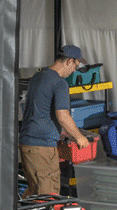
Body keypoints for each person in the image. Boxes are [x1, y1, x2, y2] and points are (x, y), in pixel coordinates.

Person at [19, 45, 91, 198]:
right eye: (76, 66)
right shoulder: (60, 83)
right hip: (41, 147)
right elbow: (63, 116)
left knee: (34, 191)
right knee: (48, 197)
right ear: (69, 61)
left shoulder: (38, 76)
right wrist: (80, 137)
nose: (74, 71)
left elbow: (38, 108)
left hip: (29, 144)